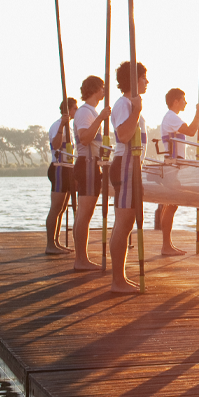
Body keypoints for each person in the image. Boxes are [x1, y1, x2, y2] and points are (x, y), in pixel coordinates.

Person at [108, 61, 150, 293]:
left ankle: (120, 277)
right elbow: (123, 134)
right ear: (133, 80)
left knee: (127, 223)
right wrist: (136, 110)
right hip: (125, 164)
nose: (147, 81)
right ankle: (117, 280)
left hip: (133, 167)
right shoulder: (124, 104)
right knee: (123, 224)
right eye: (143, 77)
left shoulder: (130, 104)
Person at [154, 88, 199, 256]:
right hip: (172, 165)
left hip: (175, 164)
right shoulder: (171, 117)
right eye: (183, 99)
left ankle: (167, 244)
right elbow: (191, 131)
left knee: (171, 205)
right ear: (175, 101)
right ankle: (166, 245)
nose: (185, 102)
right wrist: (198, 113)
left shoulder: (172, 118)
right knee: (171, 204)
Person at [71, 76, 110, 270]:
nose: (105, 91)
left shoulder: (91, 112)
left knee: (84, 214)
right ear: (95, 89)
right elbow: (85, 138)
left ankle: (81, 258)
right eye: (102, 87)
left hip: (92, 164)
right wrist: (101, 118)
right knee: (84, 214)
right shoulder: (85, 112)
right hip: (86, 164)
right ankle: (81, 260)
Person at [45, 96, 77, 256]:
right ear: (68, 110)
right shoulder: (57, 125)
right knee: (55, 207)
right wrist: (62, 126)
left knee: (62, 208)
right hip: (58, 168)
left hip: (68, 169)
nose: (76, 112)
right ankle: (50, 244)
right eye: (75, 109)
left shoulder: (70, 128)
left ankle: (56, 242)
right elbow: (56, 145)